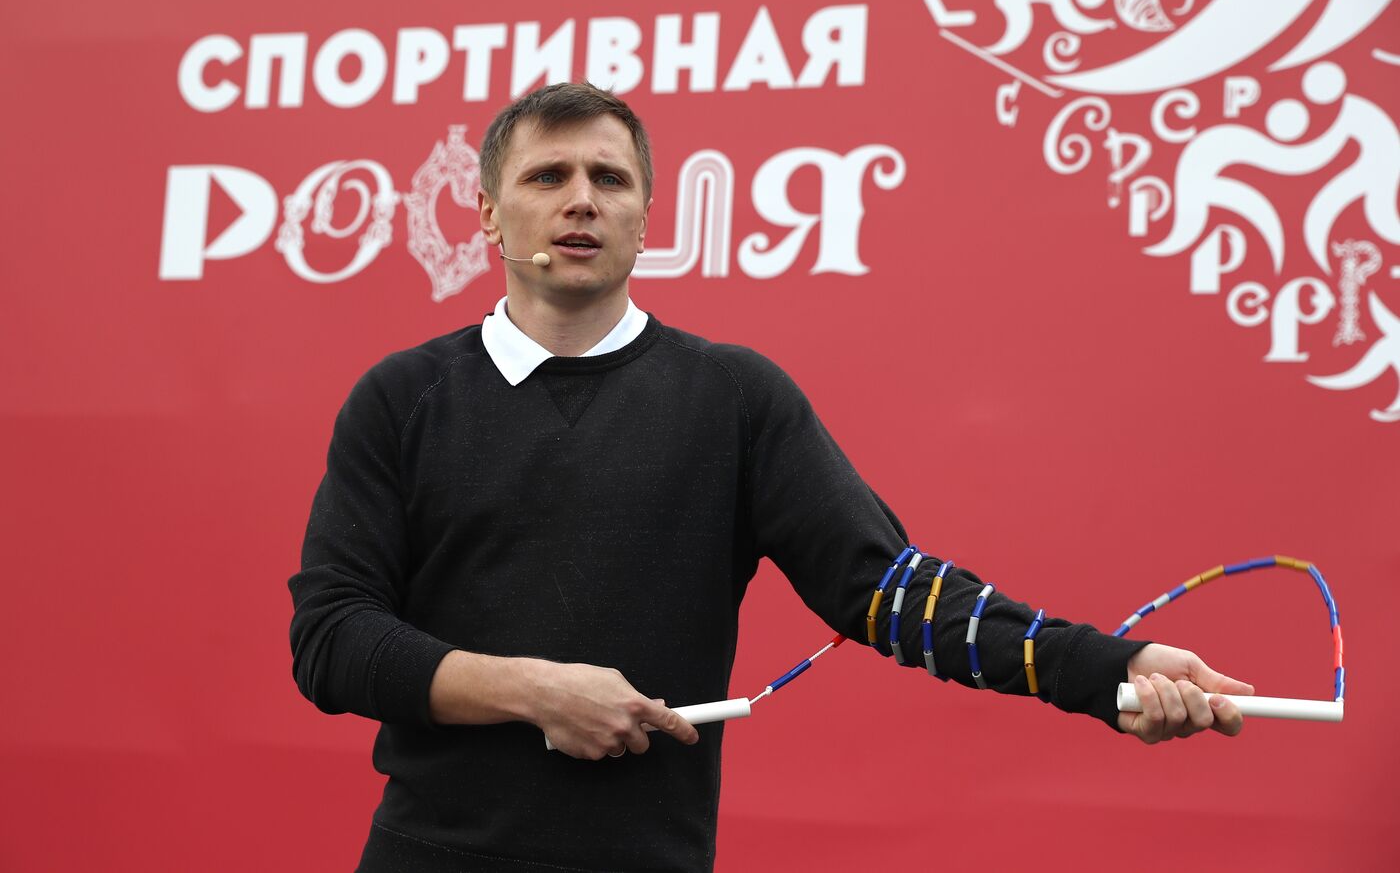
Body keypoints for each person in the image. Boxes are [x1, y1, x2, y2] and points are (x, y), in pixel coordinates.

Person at [288, 82, 1254, 873]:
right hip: (429, 854)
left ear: (645, 215)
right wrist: (535, 689)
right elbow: (332, 640)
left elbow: (886, 588)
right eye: (549, 174)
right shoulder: (404, 397)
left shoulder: (733, 396)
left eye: (610, 179)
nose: (583, 197)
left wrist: (1108, 670)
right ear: (492, 213)